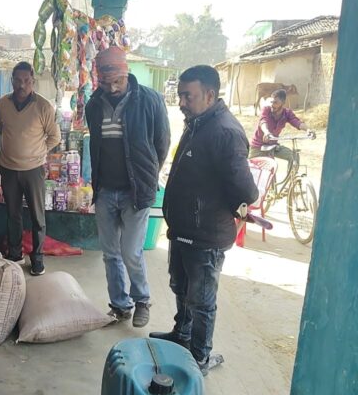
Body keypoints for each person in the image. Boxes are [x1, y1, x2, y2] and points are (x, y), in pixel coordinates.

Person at [150, 65, 259, 375]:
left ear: (210, 95)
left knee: (202, 299)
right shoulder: (198, 122)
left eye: (188, 96)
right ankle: (181, 336)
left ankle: (200, 356)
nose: (182, 102)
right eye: (180, 95)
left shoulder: (225, 132)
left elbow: (246, 191)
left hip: (206, 234)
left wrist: (224, 205)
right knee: (181, 286)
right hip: (184, 229)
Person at [85, 46, 171, 328]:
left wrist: (147, 176)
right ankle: (120, 305)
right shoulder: (93, 105)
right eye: (105, 83)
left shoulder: (149, 99)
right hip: (105, 191)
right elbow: (96, 146)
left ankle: (142, 300)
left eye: (117, 81)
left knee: (131, 252)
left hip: (135, 191)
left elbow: (162, 143)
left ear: (127, 72)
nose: (112, 88)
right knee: (110, 254)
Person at [0, 61, 61, 276]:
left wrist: (38, 152)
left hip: (34, 170)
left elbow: (54, 137)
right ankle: (15, 254)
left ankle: (38, 259)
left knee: (37, 217)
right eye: (18, 80)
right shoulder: (2, 104)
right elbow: (0, 129)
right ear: (12, 81)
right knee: (12, 214)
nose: (22, 85)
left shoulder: (44, 106)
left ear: (33, 81)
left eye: (26, 80)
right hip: (8, 168)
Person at [249, 88, 314, 160]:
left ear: (283, 103)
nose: (272, 105)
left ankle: (292, 167)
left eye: (275, 102)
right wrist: (266, 132)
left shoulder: (287, 113)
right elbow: (263, 121)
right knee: (255, 166)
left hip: (273, 146)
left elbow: (297, 122)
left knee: (294, 157)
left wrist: (308, 130)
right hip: (258, 147)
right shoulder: (266, 110)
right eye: (271, 102)